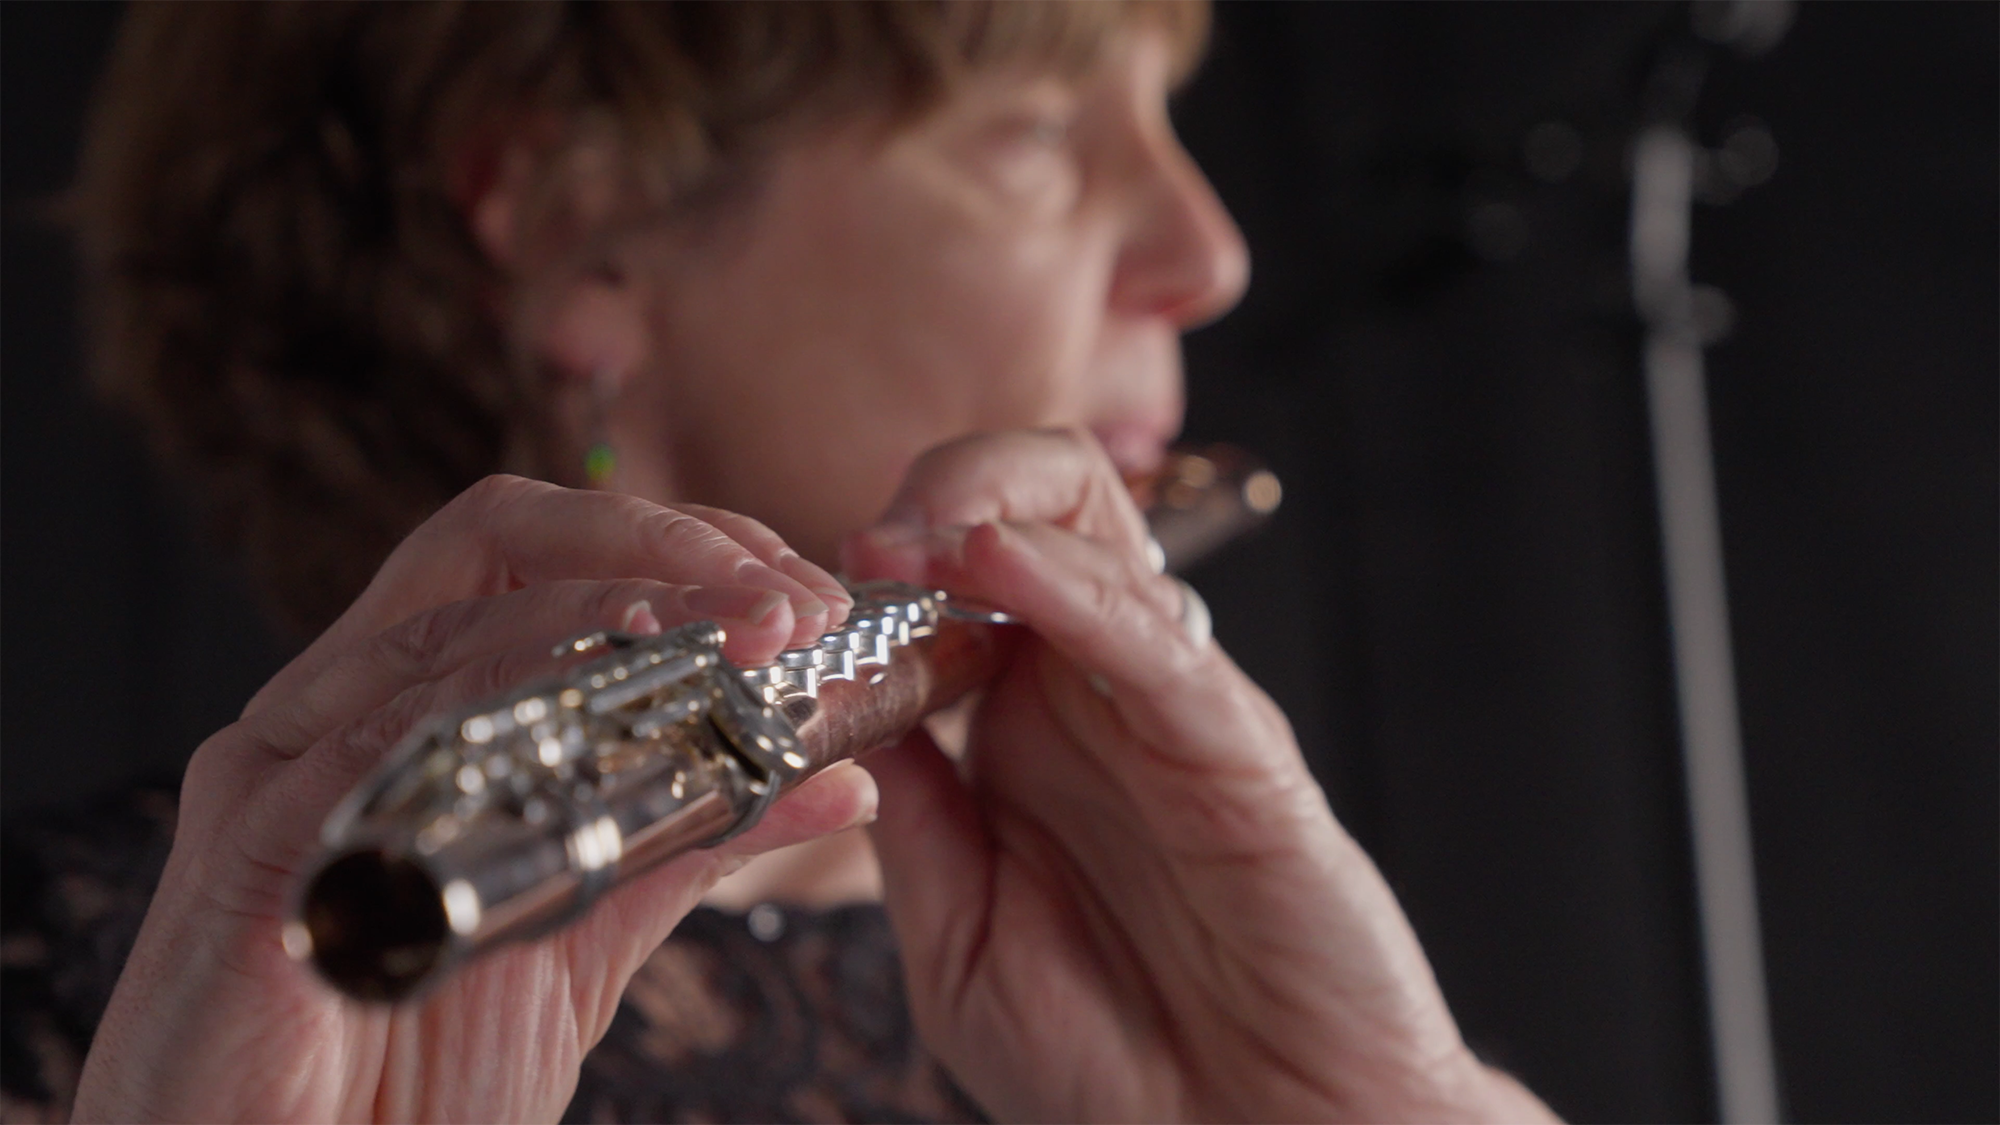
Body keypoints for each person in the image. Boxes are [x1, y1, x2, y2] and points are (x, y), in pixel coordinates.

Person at [2, 0, 1565, 1121]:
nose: (1209, 251)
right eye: (1032, 129)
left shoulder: (1163, 990)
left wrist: (1367, 1105)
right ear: (586, 226)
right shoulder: (77, 991)